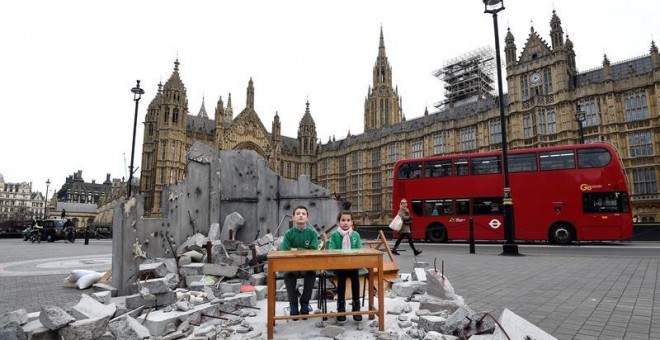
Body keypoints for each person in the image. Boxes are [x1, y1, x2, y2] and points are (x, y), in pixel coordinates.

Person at [280, 206, 319, 319]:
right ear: (293, 217)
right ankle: (293, 304)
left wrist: (295, 250)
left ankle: (305, 302)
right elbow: (285, 251)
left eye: (303, 213)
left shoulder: (312, 233)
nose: (301, 215)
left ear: (307, 218)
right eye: (298, 213)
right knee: (288, 275)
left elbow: (313, 250)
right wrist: (303, 250)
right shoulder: (288, 233)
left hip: (307, 265)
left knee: (312, 274)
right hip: (292, 266)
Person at [327, 211, 362, 322]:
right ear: (338, 222)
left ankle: (356, 308)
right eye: (343, 220)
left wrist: (353, 260)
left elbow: (359, 250)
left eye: (348, 220)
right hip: (340, 265)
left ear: (352, 222)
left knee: (355, 281)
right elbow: (332, 250)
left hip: (353, 264)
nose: (345, 223)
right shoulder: (334, 235)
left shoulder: (356, 235)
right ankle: (341, 308)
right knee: (341, 282)